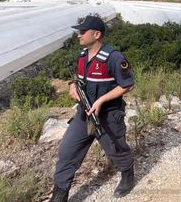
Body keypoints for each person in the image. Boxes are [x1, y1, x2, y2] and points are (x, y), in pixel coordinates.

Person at [49, 15, 135, 202]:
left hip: (108, 115)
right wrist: (72, 85)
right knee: (67, 151)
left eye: (82, 32)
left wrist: (101, 100)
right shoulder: (82, 56)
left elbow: (127, 84)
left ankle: (128, 175)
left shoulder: (113, 58)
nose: (79, 35)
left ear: (96, 34)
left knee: (115, 150)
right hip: (83, 114)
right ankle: (60, 194)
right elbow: (78, 79)